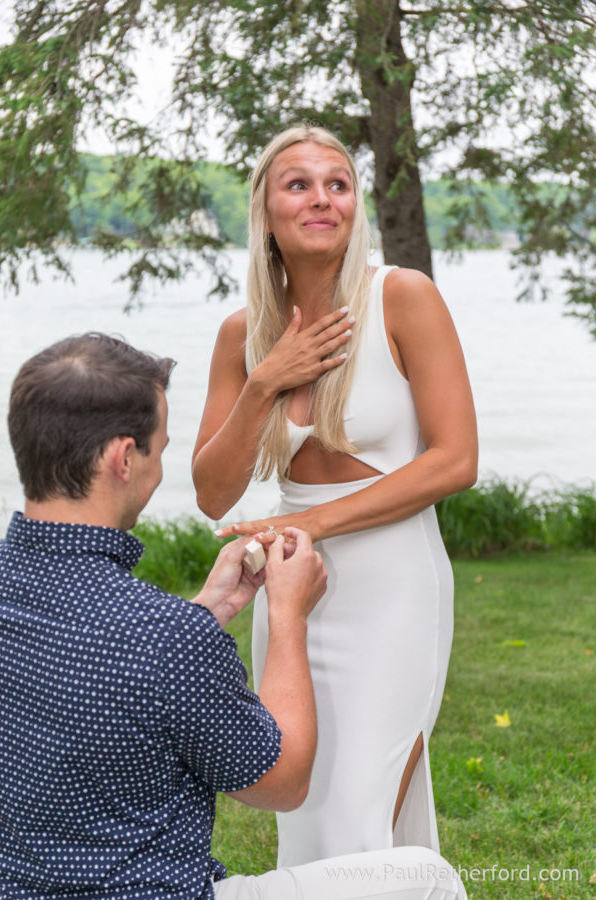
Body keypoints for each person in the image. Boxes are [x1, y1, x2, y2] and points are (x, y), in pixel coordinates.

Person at [0, 332, 468, 900]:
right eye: (160, 449)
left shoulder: (80, 608)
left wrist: (206, 612)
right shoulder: (163, 637)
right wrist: (289, 617)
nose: (160, 470)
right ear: (124, 458)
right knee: (426, 877)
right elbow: (284, 781)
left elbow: (90, 670)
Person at [192, 125, 478, 868]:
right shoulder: (239, 337)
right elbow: (213, 491)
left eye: (338, 183)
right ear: (266, 210)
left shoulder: (403, 299)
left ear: (356, 204)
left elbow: (455, 462)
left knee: (360, 807)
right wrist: (264, 381)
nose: (322, 197)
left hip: (392, 586)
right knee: (306, 803)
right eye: (299, 183)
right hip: (293, 596)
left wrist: (310, 522)